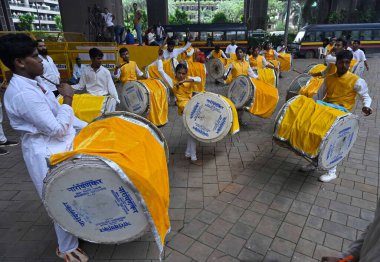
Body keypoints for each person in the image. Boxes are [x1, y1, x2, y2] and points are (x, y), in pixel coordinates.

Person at [0, 33, 89, 261]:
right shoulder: (22, 94)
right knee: (56, 197)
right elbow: (57, 127)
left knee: (72, 192)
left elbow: (57, 113)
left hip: (59, 145)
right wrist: (68, 99)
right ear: (20, 62)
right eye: (35, 56)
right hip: (44, 153)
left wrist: (90, 126)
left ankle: (80, 229)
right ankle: (66, 247)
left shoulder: (36, 82)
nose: (40, 61)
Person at [300, 50, 372, 182]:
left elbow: (365, 96)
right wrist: (310, 106)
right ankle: (313, 163)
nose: (344, 65)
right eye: (341, 62)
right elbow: (319, 96)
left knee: (334, 141)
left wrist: (367, 106)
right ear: (336, 62)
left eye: (347, 63)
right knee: (315, 136)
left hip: (342, 116)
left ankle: (332, 171)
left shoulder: (357, 81)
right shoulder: (329, 78)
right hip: (326, 112)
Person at [157, 56, 202, 165]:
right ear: (175, 73)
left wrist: (186, 80)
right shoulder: (172, 81)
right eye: (179, 73)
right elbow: (160, 70)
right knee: (192, 131)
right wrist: (160, 58)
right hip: (184, 107)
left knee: (191, 131)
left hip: (192, 105)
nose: (181, 75)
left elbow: (199, 79)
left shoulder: (188, 79)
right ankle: (193, 158)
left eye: (183, 74)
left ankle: (188, 153)